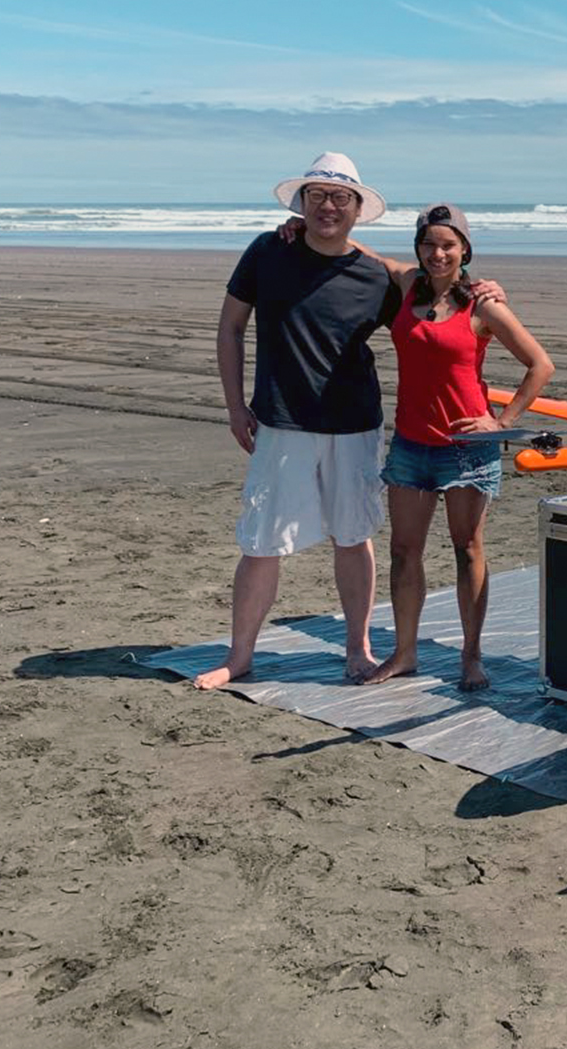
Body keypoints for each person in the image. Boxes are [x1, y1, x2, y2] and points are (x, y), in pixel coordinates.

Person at [192, 152, 399, 691]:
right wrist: (236, 406)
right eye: (317, 196)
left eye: (339, 198)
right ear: (301, 202)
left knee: (353, 537)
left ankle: (358, 649)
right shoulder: (267, 251)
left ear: (357, 208)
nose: (327, 206)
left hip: (354, 426)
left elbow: (436, 300)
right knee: (261, 542)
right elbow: (231, 329)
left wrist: (485, 290)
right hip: (280, 423)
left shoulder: (377, 277)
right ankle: (240, 657)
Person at [335, 203, 553, 691]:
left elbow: (540, 365)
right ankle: (405, 653)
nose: (438, 253)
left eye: (448, 245)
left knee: (467, 549)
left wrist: (501, 420)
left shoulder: (483, 303)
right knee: (404, 551)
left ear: (465, 250)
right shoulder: (406, 284)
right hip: (411, 446)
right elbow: (362, 253)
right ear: (418, 248)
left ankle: (470, 658)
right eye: (429, 243)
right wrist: (302, 227)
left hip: (465, 451)